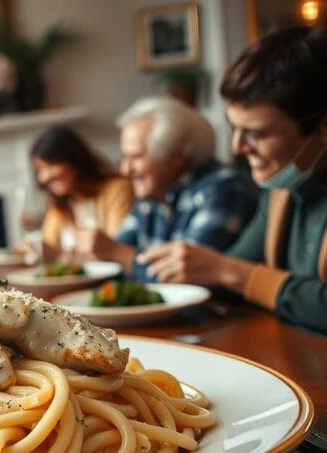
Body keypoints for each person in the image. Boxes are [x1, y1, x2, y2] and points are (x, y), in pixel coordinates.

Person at [137, 26, 327, 333]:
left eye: (256, 133)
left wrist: (231, 272)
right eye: (234, 128)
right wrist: (199, 267)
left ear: (322, 128)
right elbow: (228, 274)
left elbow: (234, 273)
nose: (237, 147)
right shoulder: (280, 190)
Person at [75, 96, 260, 280]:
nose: (125, 170)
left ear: (176, 156)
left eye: (136, 157)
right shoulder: (152, 196)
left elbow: (187, 274)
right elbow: (113, 265)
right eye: (124, 157)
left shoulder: (225, 188)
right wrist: (107, 253)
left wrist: (116, 252)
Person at [28, 125, 135, 261]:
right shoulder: (60, 202)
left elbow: (115, 252)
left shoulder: (117, 190)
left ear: (74, 161)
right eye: (40, 169)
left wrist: (61, 255)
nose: (44, 177)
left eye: (51, 166)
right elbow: (47, 244)